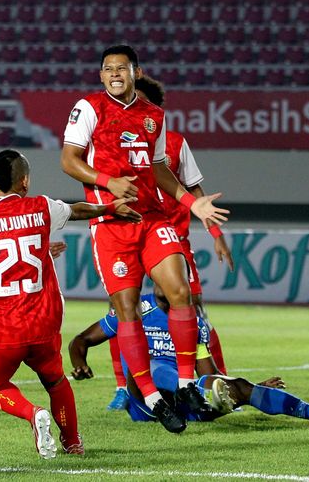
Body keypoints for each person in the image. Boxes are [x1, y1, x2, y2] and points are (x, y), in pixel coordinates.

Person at [60, 44, 229, 433]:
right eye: (107, 69)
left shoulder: (154, 116)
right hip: (112, 222)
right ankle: (151, 397)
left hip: (152, 218)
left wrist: (193, 203)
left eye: (121, 68)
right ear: (101, 76)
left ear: (135, 72)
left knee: (180, 292)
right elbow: (69, 160)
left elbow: (160, 171)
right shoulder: (87, 108)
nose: (114, 74)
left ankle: (186, 383)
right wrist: (107, 182)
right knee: (128, 310)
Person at [0, 149, 141, 458]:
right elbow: (77, 210)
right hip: (41, 322)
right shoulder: (41, 207)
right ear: (25, 182)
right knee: (55, 380)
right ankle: (72, 442)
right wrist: (110, 208)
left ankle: (32, 413)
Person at [105, 75, 234, 412]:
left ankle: (220, 381)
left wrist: (216, 235)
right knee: (121, 311)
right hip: (129, 234)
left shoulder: (175, 143)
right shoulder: (115, 141)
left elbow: (194, 189)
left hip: (170, 237)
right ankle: (124, 387)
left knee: (195, 313)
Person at [68, 288, 309, 429]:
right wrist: (79, 362)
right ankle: (200, 395)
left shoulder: (194, 322)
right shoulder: (138, 308)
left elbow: (208, 373)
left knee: (238, 385)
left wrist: (240, 388)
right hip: (145, 400)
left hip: (184, 401)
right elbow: (80, 340)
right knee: (152, 367)